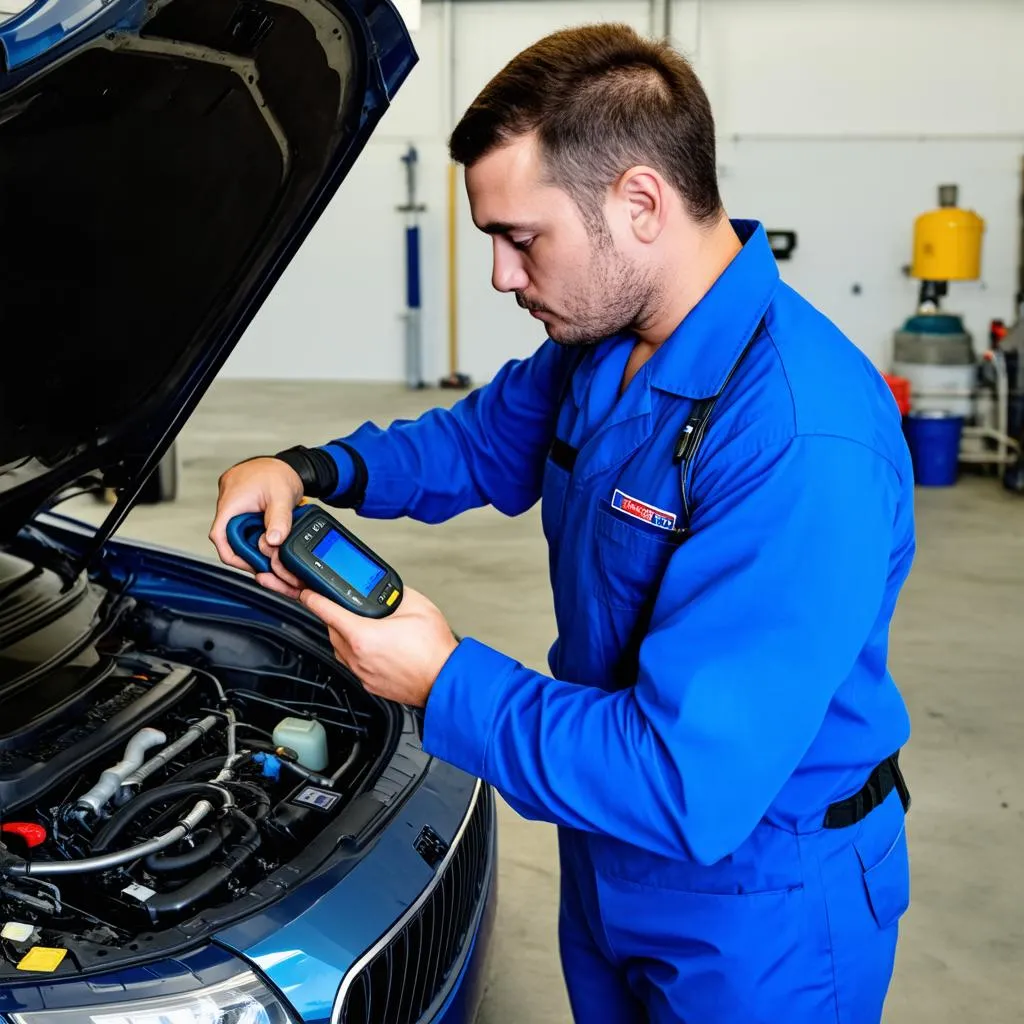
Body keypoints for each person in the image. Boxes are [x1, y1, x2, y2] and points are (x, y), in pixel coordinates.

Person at [210, 22, 914, 1024]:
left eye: (520, 238)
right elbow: (478, 442)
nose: (502, 276)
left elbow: (683, 783)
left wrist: (442, 677)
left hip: (762, 902)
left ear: (637, 202)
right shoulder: (603, 341)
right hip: (606, 839)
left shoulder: (801, 441)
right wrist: (313, 466)